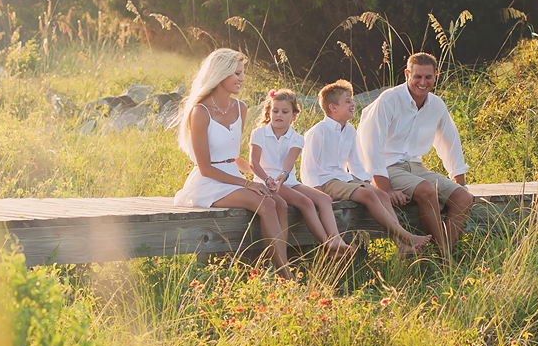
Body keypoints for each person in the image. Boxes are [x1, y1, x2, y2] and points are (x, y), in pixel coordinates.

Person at [173, 48, 293, 279]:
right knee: (266, 204)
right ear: (221, 74)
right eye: (237, 73)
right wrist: (247, 185)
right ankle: (285, 276)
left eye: (242, 73)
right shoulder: (200, 112)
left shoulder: (241, 108)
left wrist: (262, 177)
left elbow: (234, 157)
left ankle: (277, 265)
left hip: (231, 177)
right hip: (208, 182)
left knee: (279, 202)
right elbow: (207, 167)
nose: (242, 78)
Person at [355, 52, 474, 254]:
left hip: (415, 167)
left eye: (428, 77)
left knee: (463, 197)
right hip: (387, 167)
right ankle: (445, 260)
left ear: (435, 75)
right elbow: (370, 145)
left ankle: (442, 253)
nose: (422, 82)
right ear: (407, 74)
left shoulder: (436, 105)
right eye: (417, 76)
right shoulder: (389, 100)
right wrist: (385, 189)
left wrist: (459, 182)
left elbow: (450, 142)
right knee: (427, 190)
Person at [300, 79, 431, 258]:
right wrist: (316, 191)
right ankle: (406, 236)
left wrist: (366, 182)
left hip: (344, 178)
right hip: (326, 181)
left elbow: (356, 163)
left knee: (382, 194)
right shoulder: (318, 131)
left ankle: (400, 245)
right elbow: (308, 167)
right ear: (333, 107)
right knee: (368, 195)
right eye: (348, 101)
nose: (353, 104)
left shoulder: (350, 130)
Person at [249, 88, 354, 257]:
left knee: (325, 199)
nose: (279, 115)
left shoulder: (296, 138)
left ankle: (336, 238)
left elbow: (288, 163)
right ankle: (328, 245)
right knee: (305, 202)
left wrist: (283, 175)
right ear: (269, 111)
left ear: (294, 115)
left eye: (285, 112)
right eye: (275, 111)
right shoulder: (259, 133)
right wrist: (268, 179)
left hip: (286, 180)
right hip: (265, 181)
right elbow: (253, 163)